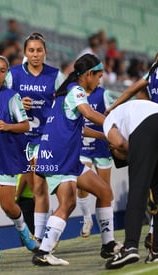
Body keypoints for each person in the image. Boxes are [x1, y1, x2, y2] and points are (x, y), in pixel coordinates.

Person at [32, 53, 120, 266]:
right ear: (89, 74)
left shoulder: (65, 94)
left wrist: (104, 135)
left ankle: (108, 246)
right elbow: (89, 114)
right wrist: (114, 127)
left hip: (65, 157)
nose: (99, 81)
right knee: (68, 203)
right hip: (61, 157)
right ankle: (43, 252)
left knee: (104, 192)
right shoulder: (77, 91)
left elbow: (80, 127)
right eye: (98, 76)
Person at [0, 55, 36, 261]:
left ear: (6, 74)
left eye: (2, 70)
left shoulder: (12, 97)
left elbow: (26, 125)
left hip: (5, 157)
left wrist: (8, 126)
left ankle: (24, 231)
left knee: (7, 205)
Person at [8, 32, 65, 245]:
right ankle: (41, 234)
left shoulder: (55, 76)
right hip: (22, 140)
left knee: (41, 187)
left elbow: (63, 104)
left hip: (45, 138)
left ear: (45, 52)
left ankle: (41, 237)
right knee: (35, 187)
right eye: (31, 50)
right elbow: (1, 99)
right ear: (25, 52)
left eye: (39, 50)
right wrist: (17, 104)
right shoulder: (13, 75)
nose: (35, 54)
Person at [103, 100, 158, 269]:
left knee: (138, 189)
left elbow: (120, 143)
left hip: (147, 126)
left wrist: (137, 157)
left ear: (111, 148)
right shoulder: (128, 111)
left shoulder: (108, 122)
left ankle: (129, 247)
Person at [77, 85, 115, 238]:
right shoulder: (76, 95)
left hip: (101, 146)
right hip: (83, 145)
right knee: (81, 184)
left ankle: (106, 229)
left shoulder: (103, 94)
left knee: (104, 188)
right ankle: (87, 219)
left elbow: (111, 114)